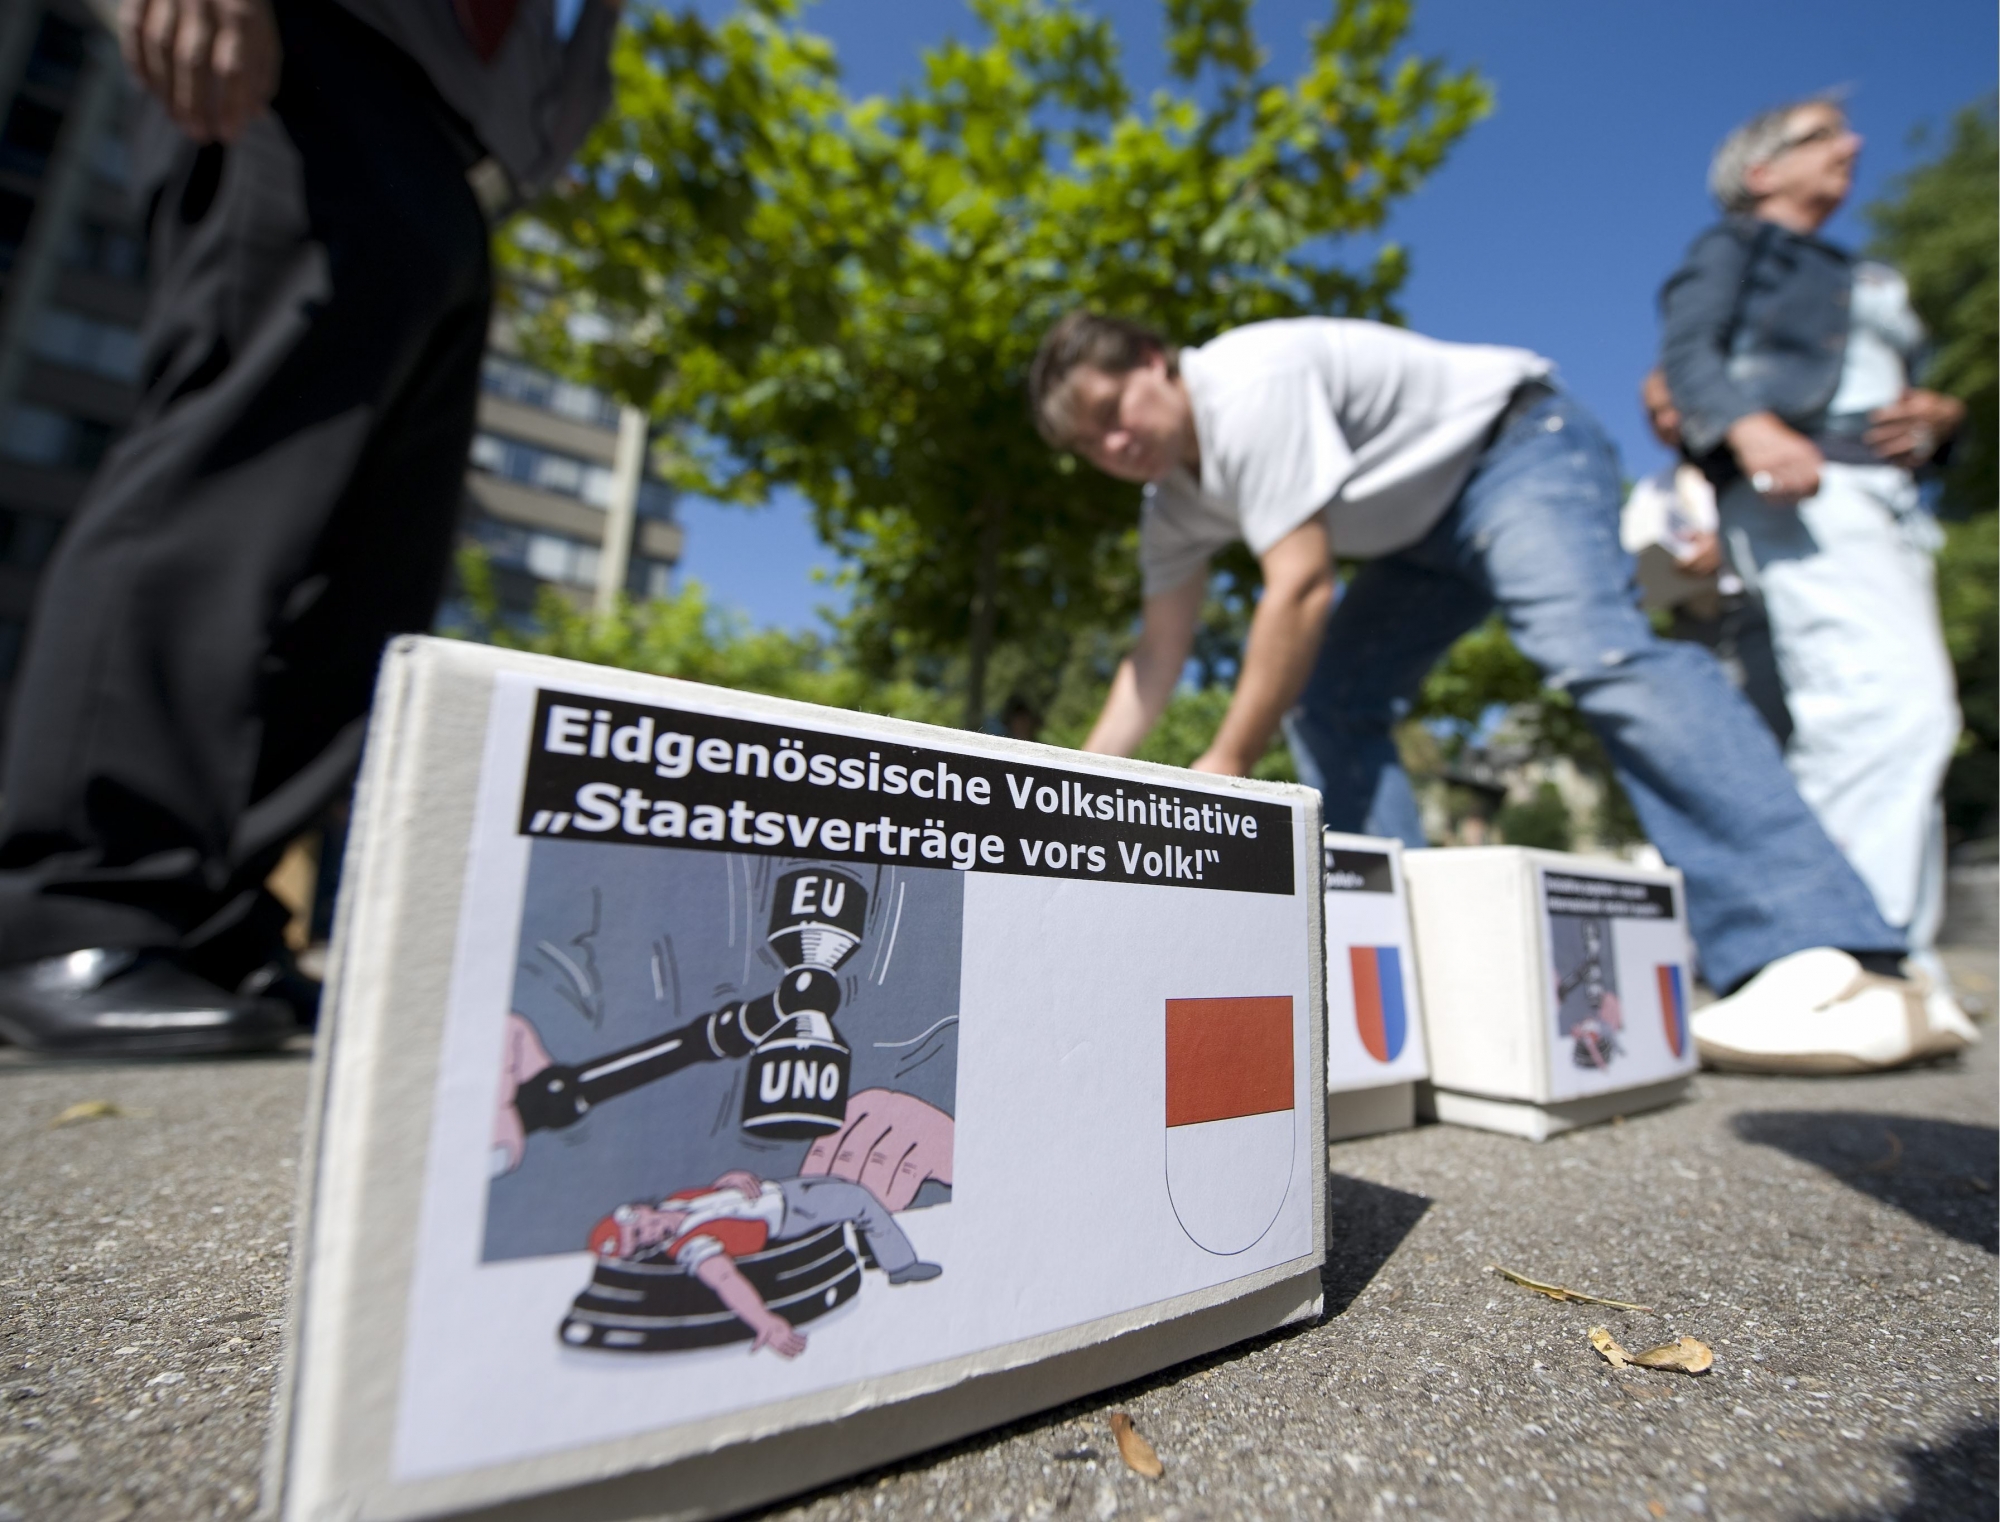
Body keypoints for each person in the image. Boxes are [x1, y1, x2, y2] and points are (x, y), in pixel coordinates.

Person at [1028, 310, 1976, 1074]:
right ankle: (1405, 976)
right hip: (1415, 540)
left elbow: (1301, 585)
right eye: (1089, 443)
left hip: (1516, 448)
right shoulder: (1172, 503)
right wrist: (1069, 795)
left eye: (1117, 409)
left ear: (1157, 361)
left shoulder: (1245, 381)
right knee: (1330, 702)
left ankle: (1843, 961)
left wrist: (1226, 762)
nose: (1115, 443)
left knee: (1592, 649)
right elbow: (1155, 659)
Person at [0, 0, 619, 1055]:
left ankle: (210, 921)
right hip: (304, 61)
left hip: (455, 165)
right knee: (230, 487)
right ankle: (80, 904)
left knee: (364, 568)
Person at [1657, 96, 1968, 1025]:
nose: (1853, 146)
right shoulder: (1737, 250)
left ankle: (1867, 955)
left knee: (1885, 714)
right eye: (1823, 137)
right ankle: (1849, 954)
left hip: (1885, 496)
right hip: (1807, 483)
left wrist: (1940, 421)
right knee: (1886, 707)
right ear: (1762, 171)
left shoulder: (1857, 271)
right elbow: (1688, 356)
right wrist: (1748, 428)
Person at [588, 1169, 944, 1358]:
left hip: (783, 1190)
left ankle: (879, 1256)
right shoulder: (687, 1247)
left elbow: (718, 1197)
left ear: (638, 1210)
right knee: (858, 1200)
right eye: (639, 1243)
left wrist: (732, 1179)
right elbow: (725, 1279)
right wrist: (765, 1323)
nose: (648, 1234)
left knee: (851, 1191)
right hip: (790, 1214)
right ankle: (900, 1267)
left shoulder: (676, 1201)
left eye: (639, 1227)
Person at [1627, 370, 1792, 746]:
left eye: (1672, 408)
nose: (1666, 421)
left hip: (1760, 614)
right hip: (1694, 627)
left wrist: (1726, 546)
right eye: (1653, 414)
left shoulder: (1755, 461)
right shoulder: (1652, 491)